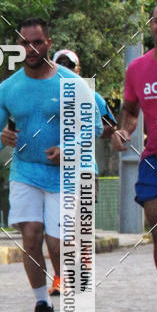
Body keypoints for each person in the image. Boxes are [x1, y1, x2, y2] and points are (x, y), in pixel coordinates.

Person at [0, 20, 101, 312]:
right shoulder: (8, 89)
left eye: (37, 42)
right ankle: (42, 304)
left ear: (49, 42)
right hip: (26, 172)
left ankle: (74, 279)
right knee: (31, 237)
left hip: (65, 175)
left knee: (56, 242)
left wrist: (67, 149)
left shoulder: (72, 85)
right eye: (24, 43)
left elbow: (93, 127)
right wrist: (0, 139)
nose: (31, 49)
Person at [112, 1, 157, 312]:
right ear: (151, 26)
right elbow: (131, 112)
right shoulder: (137, 70)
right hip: (156, 159)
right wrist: (124, 130)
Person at [51, 48, 116, 292]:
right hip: (55, 170)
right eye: (61, 65)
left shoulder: (91, 96)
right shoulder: (46, 97)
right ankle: (62, 277)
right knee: (59, 227)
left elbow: (110, 125)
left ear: (78, 70)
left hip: (86, 169)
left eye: (70, 66)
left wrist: (86, 135)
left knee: (81, 226)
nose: (65, 70)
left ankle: (84, 271)